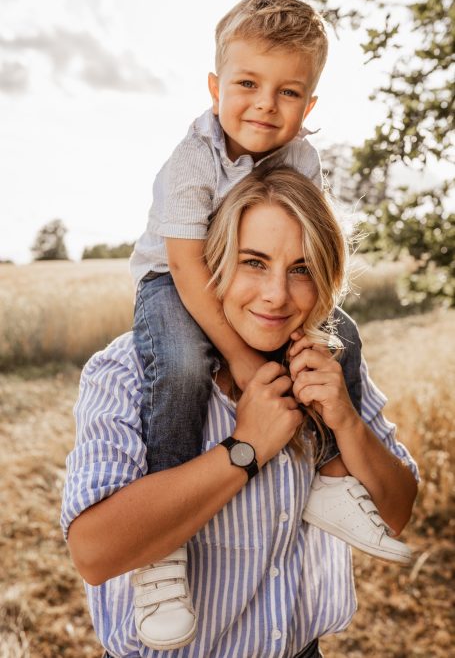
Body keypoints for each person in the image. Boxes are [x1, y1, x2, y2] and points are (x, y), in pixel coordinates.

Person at [128, 0, 411, 649]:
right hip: (176, 281)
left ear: (309, 105)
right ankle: (161, 551)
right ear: (213, 86)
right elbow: (191, 270)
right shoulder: (192, 160)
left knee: (340, 334)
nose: (263, 105)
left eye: (288, 92)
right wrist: (248, 360)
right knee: (176, 362)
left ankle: (333, 477)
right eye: (246, 84)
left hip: (242, 284)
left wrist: (303, 335)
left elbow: (306, 250)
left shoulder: (301, 159)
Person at [62, 168, 418, 658]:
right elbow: (94, 554)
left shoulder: (326, 364)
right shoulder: (129, 371)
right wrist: (245, 448)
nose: (276, 294)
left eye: (302, 269)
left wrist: (345, 420)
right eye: (254, 262)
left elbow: (396, 513)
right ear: (215, 264)